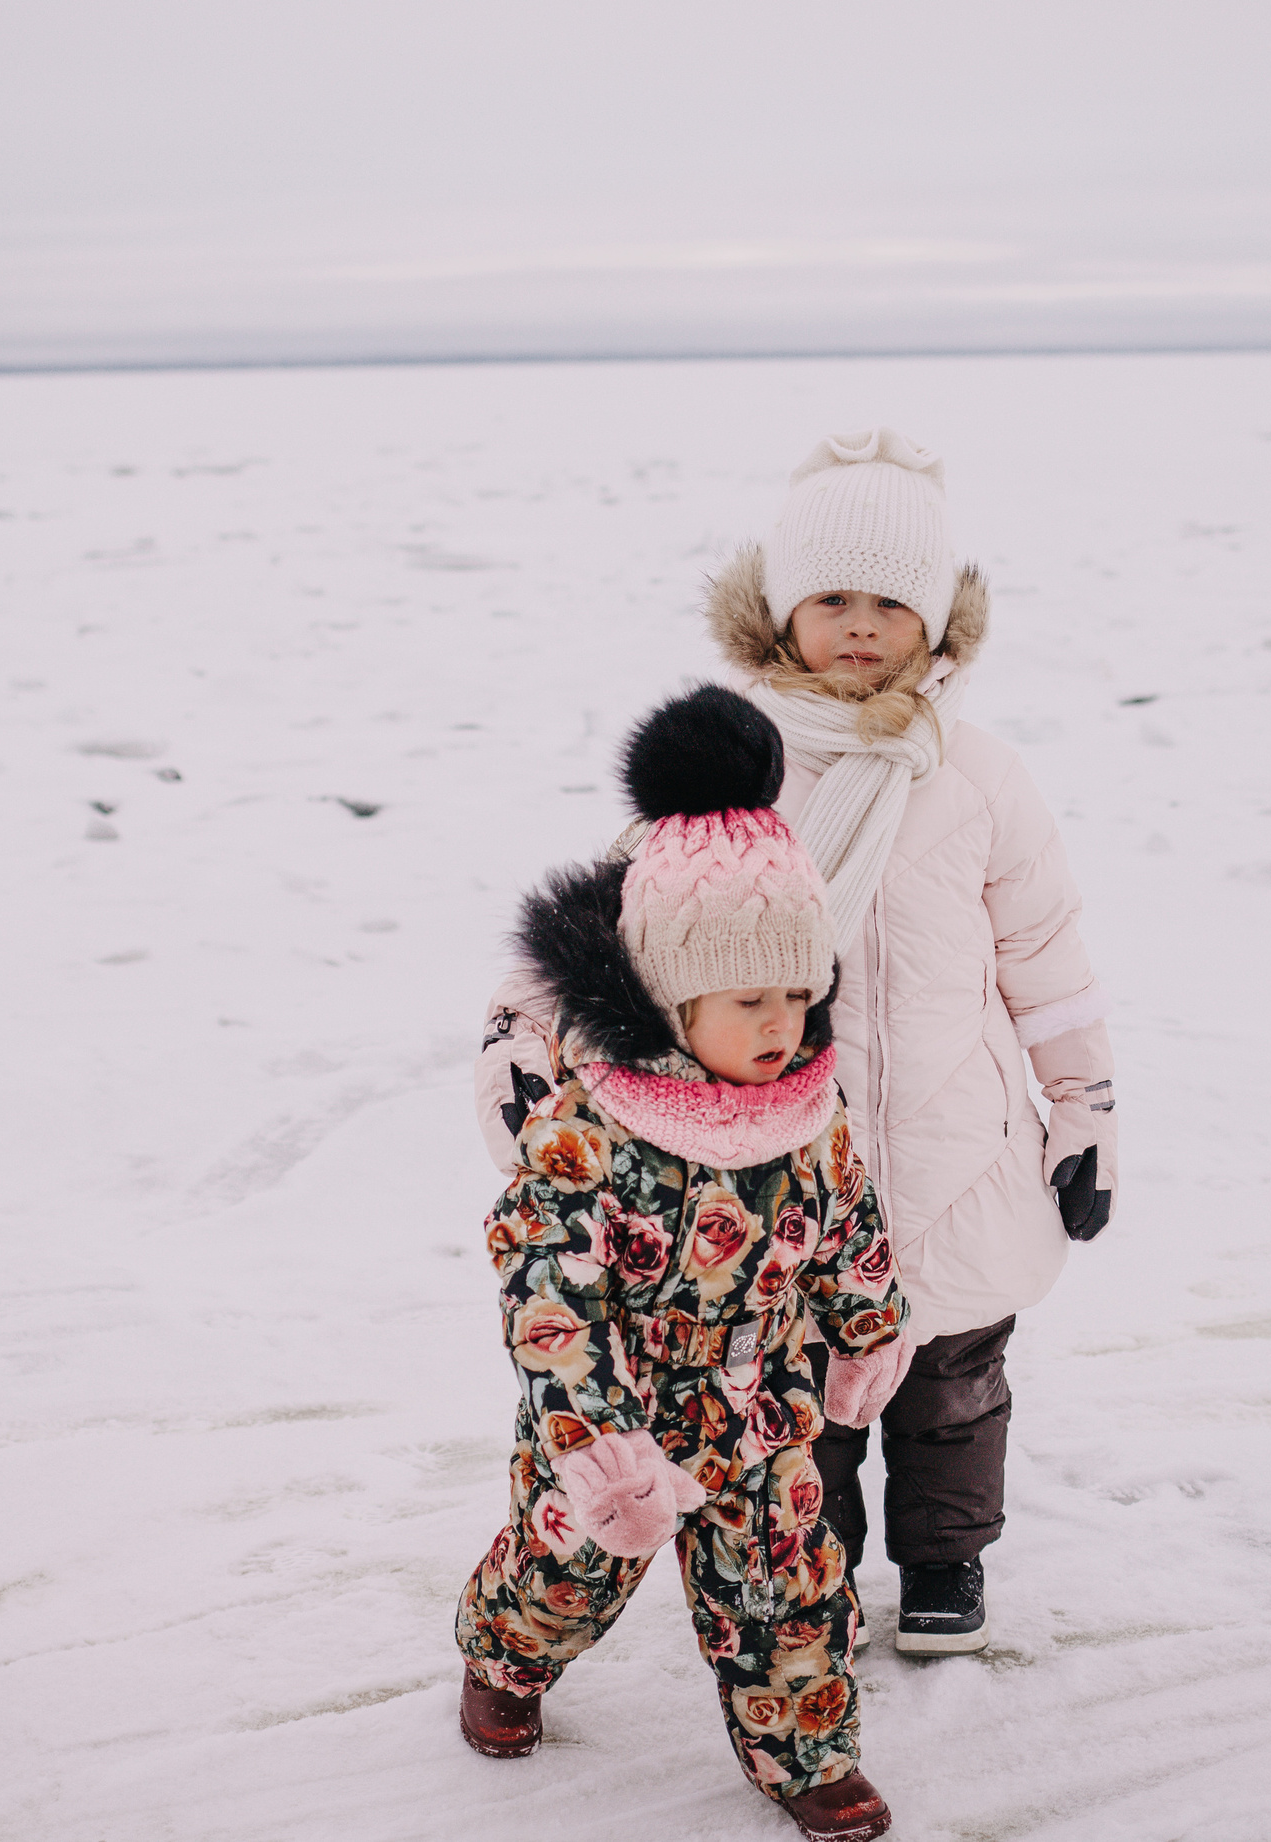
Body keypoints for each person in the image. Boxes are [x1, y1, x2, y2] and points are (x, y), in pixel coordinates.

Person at [479, 426, 1118, 1659]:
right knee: (794, 1396)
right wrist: (522, 1036)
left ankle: (943, 1561)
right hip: (781, 1162)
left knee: (951, 1384)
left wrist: (1083, 1104)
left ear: (937, 619)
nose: (861, 626)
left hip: (958, 1148)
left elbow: (1044, 957)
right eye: (831, 600)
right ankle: (809, 1567)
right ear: (780, 612)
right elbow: (618, 914)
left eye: (891, 602)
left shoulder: (980, 776)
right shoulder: (734, 773)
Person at [455, 685, 913, 1842]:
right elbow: (546, 1291)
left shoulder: (806, 1108)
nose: (782, 1024)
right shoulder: (588, 1128)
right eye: (749, 1000)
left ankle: (806, 1751)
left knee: (788, 1591)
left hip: (761, 1406)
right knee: (567, 1573)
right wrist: (593, 1441)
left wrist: (868, 1324)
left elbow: (846, 1220)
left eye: (800, 994)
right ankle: (507, 1655)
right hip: (620, 1422)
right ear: (670, 996)